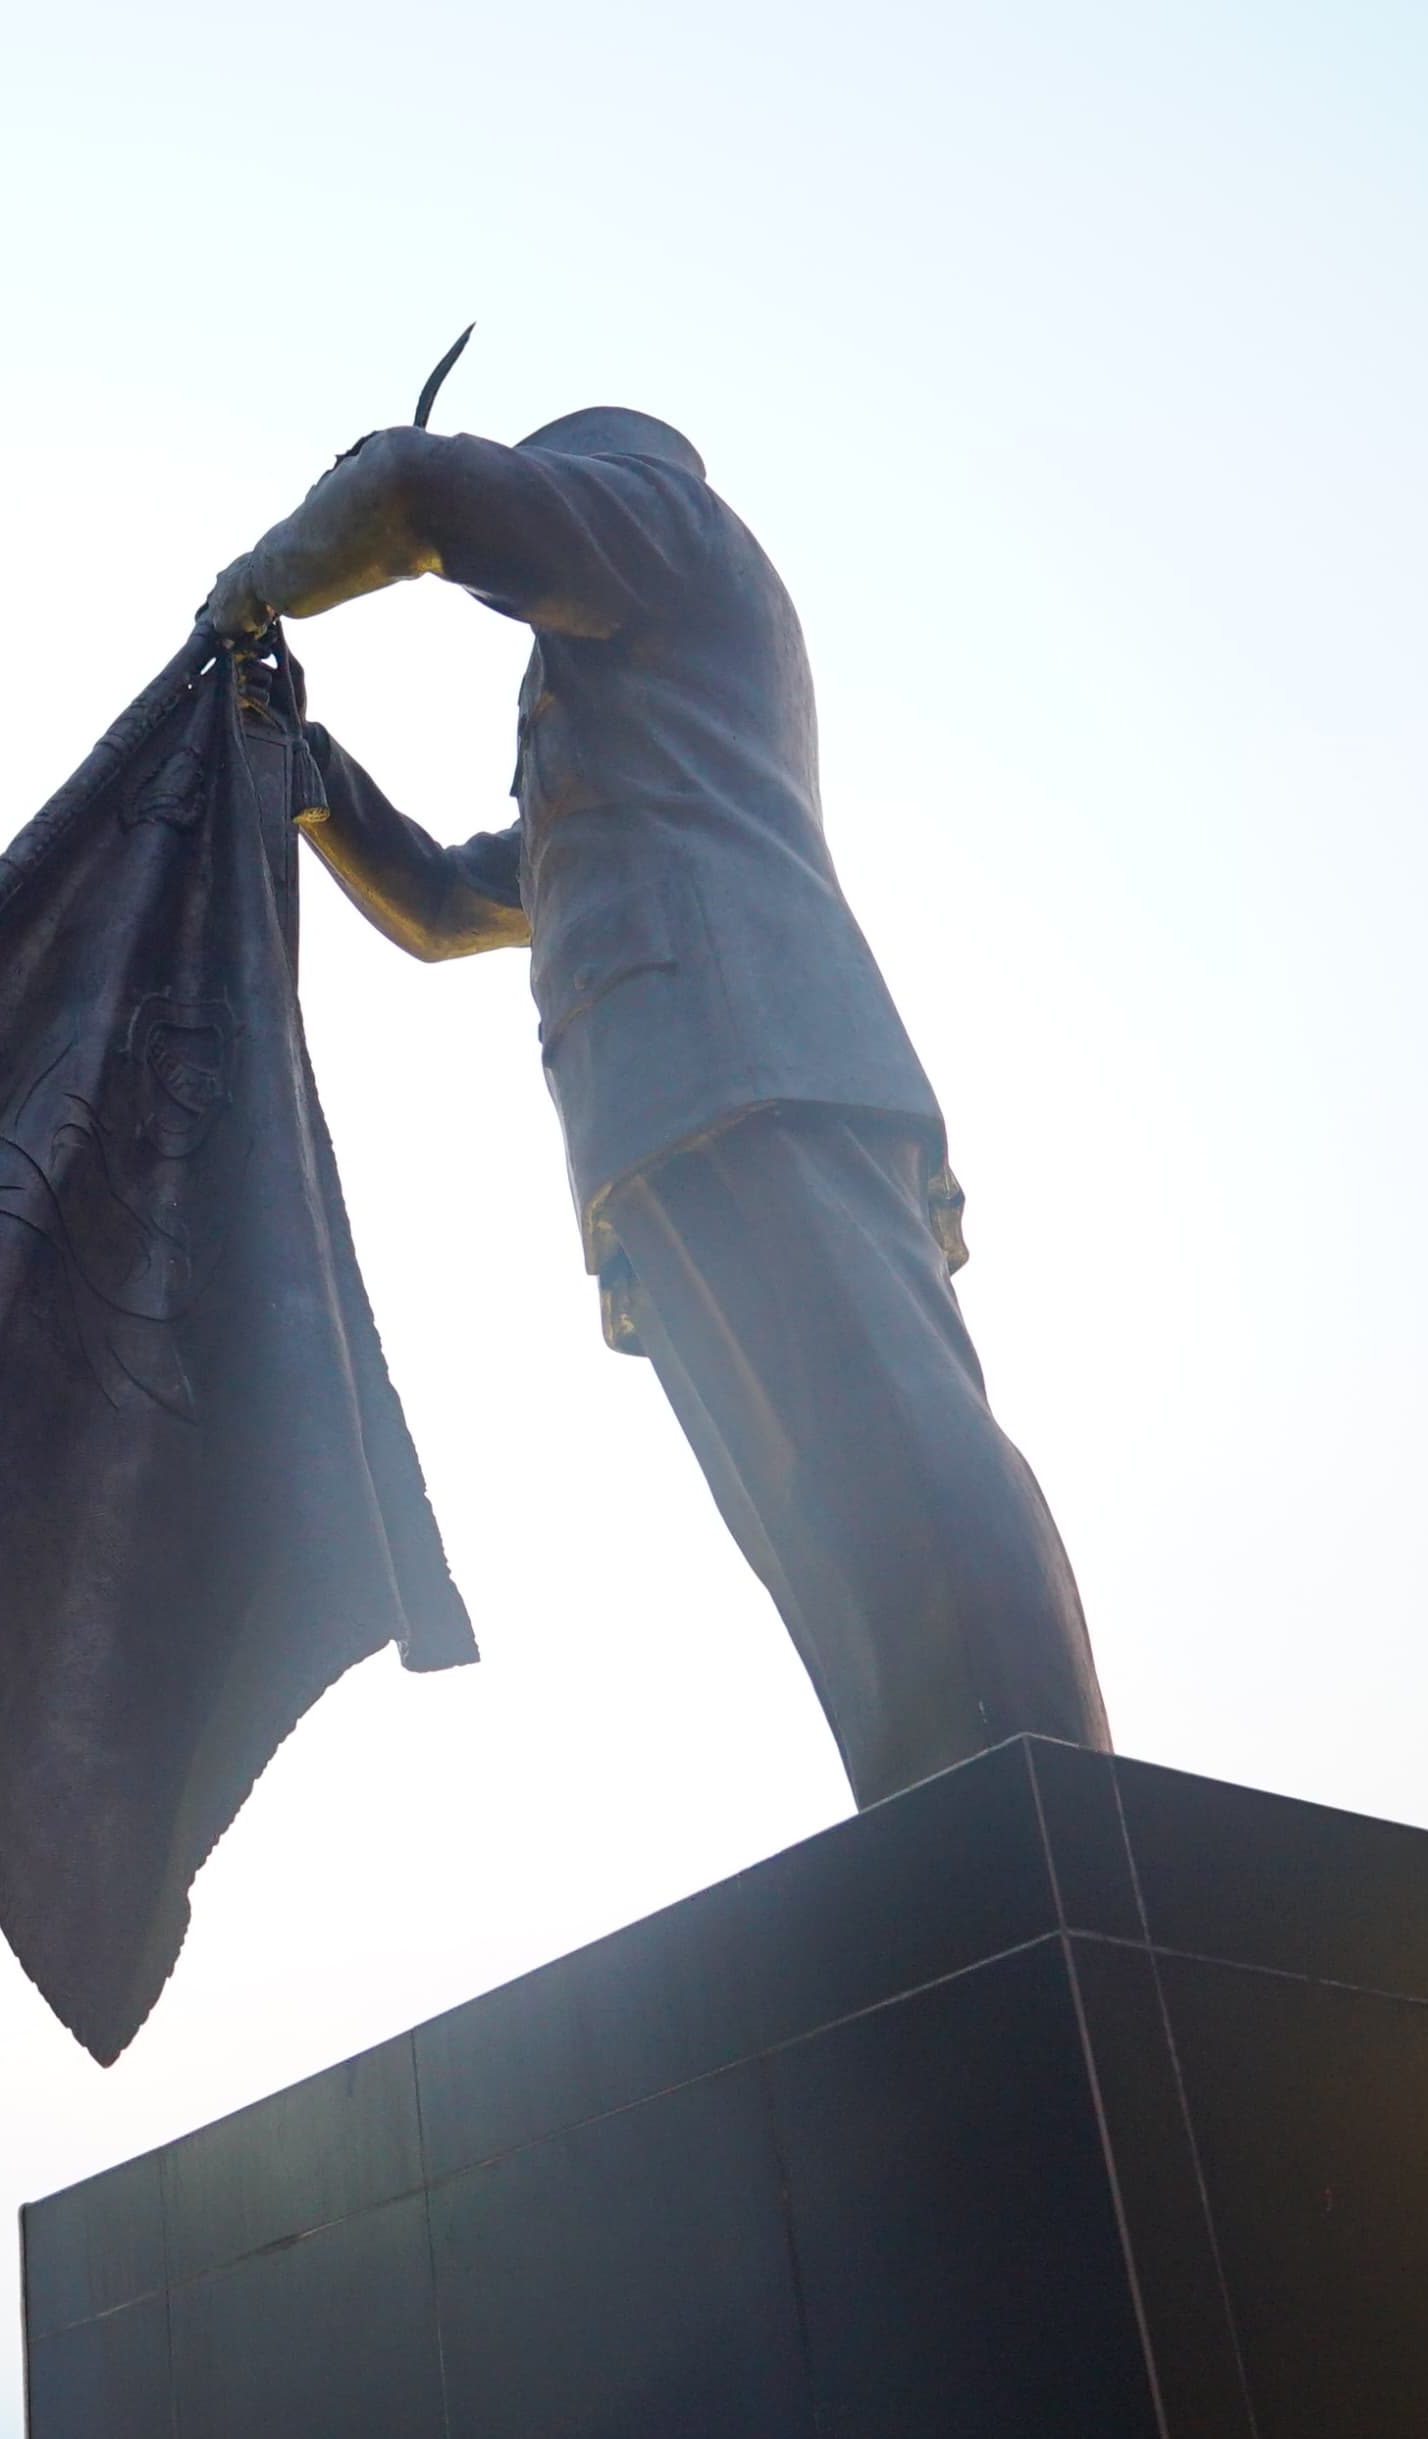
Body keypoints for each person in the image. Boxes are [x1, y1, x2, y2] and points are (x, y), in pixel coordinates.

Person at [202, 410, 1107, 1804]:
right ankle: (946, 1813)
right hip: (672, 1097)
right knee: (816, 1516)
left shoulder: (670, 538)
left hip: (757, 1057)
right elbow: (451, 903)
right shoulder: (627, 713)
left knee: (895, 1442)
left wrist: (264, 576)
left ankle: (1049, 1791)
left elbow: (419, 490)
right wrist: (302, 765)